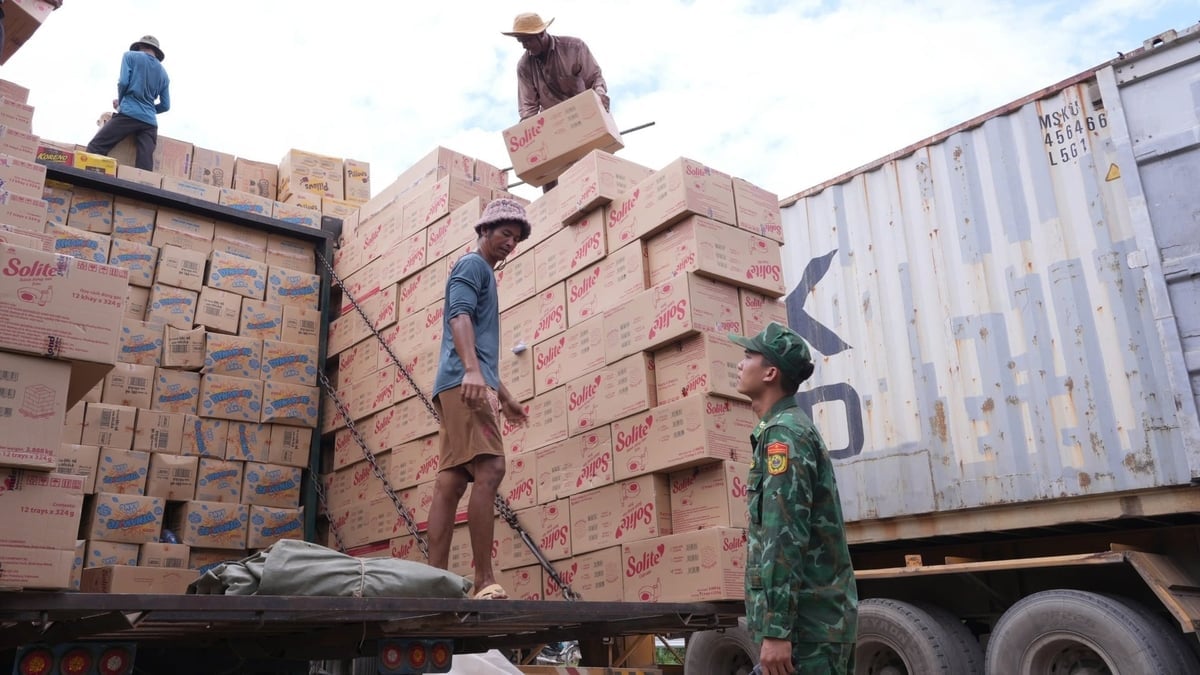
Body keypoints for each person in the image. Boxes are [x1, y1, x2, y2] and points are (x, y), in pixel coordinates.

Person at [729, 322, 859, 675]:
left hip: (807, 632)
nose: (740, 364)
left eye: (748, 355)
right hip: (812, 628)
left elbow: (783, 536)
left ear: (770, 372)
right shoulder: (784, 428)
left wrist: (776, 630)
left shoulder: (783, 435)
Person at [427, 198, 531, 600]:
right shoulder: (472, 266)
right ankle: (484, 580)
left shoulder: (484, 272)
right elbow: (459, 316)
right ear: (484, 231)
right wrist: (472, 371)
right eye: (505, 233)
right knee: (491, 469)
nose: (511, 243)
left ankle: (433, 580)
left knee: (452, 481)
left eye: (517, 238)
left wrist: (504, 396)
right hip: (463, 382)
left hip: (461, 382)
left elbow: (482, 351)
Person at [85, 35, 169, 171]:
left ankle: (92, 183)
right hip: (150, 124)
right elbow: (166, 105)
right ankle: (142, 190)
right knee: (144, 167)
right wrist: (149, 110)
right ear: (156, 52)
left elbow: (123, 82)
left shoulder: (130, 56)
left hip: (128, 114)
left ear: (140, 47)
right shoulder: (164, 74)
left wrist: (121, 104)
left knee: (96, 147)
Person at [504, 12, 609, 120]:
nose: (524, 46)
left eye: (528, 41)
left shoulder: (574, 47)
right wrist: (526, 129)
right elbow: (528, 108)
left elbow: (595, 78)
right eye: (521, 41)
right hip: (555, 124)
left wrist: (600, 94)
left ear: (541, 34)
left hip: (585, 114)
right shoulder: (524, 67)